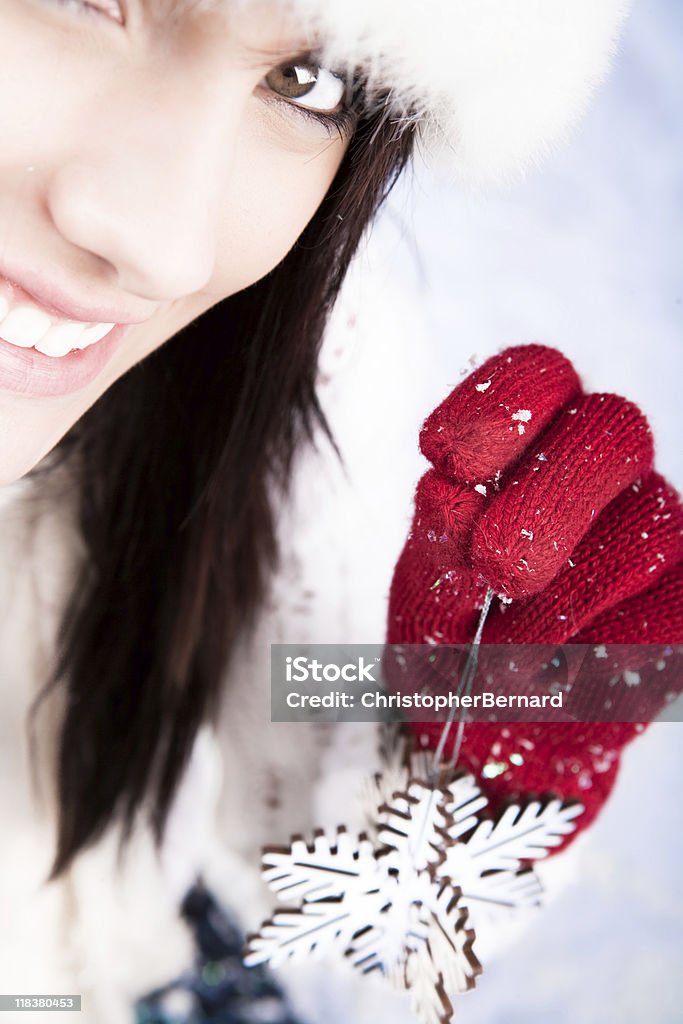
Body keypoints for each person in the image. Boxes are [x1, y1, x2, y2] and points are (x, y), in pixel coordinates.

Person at [0, 1, 679, 1023]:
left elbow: (346, 887)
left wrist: (472, 755)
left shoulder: (273, 360)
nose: (166, 247)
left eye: (308, 81)